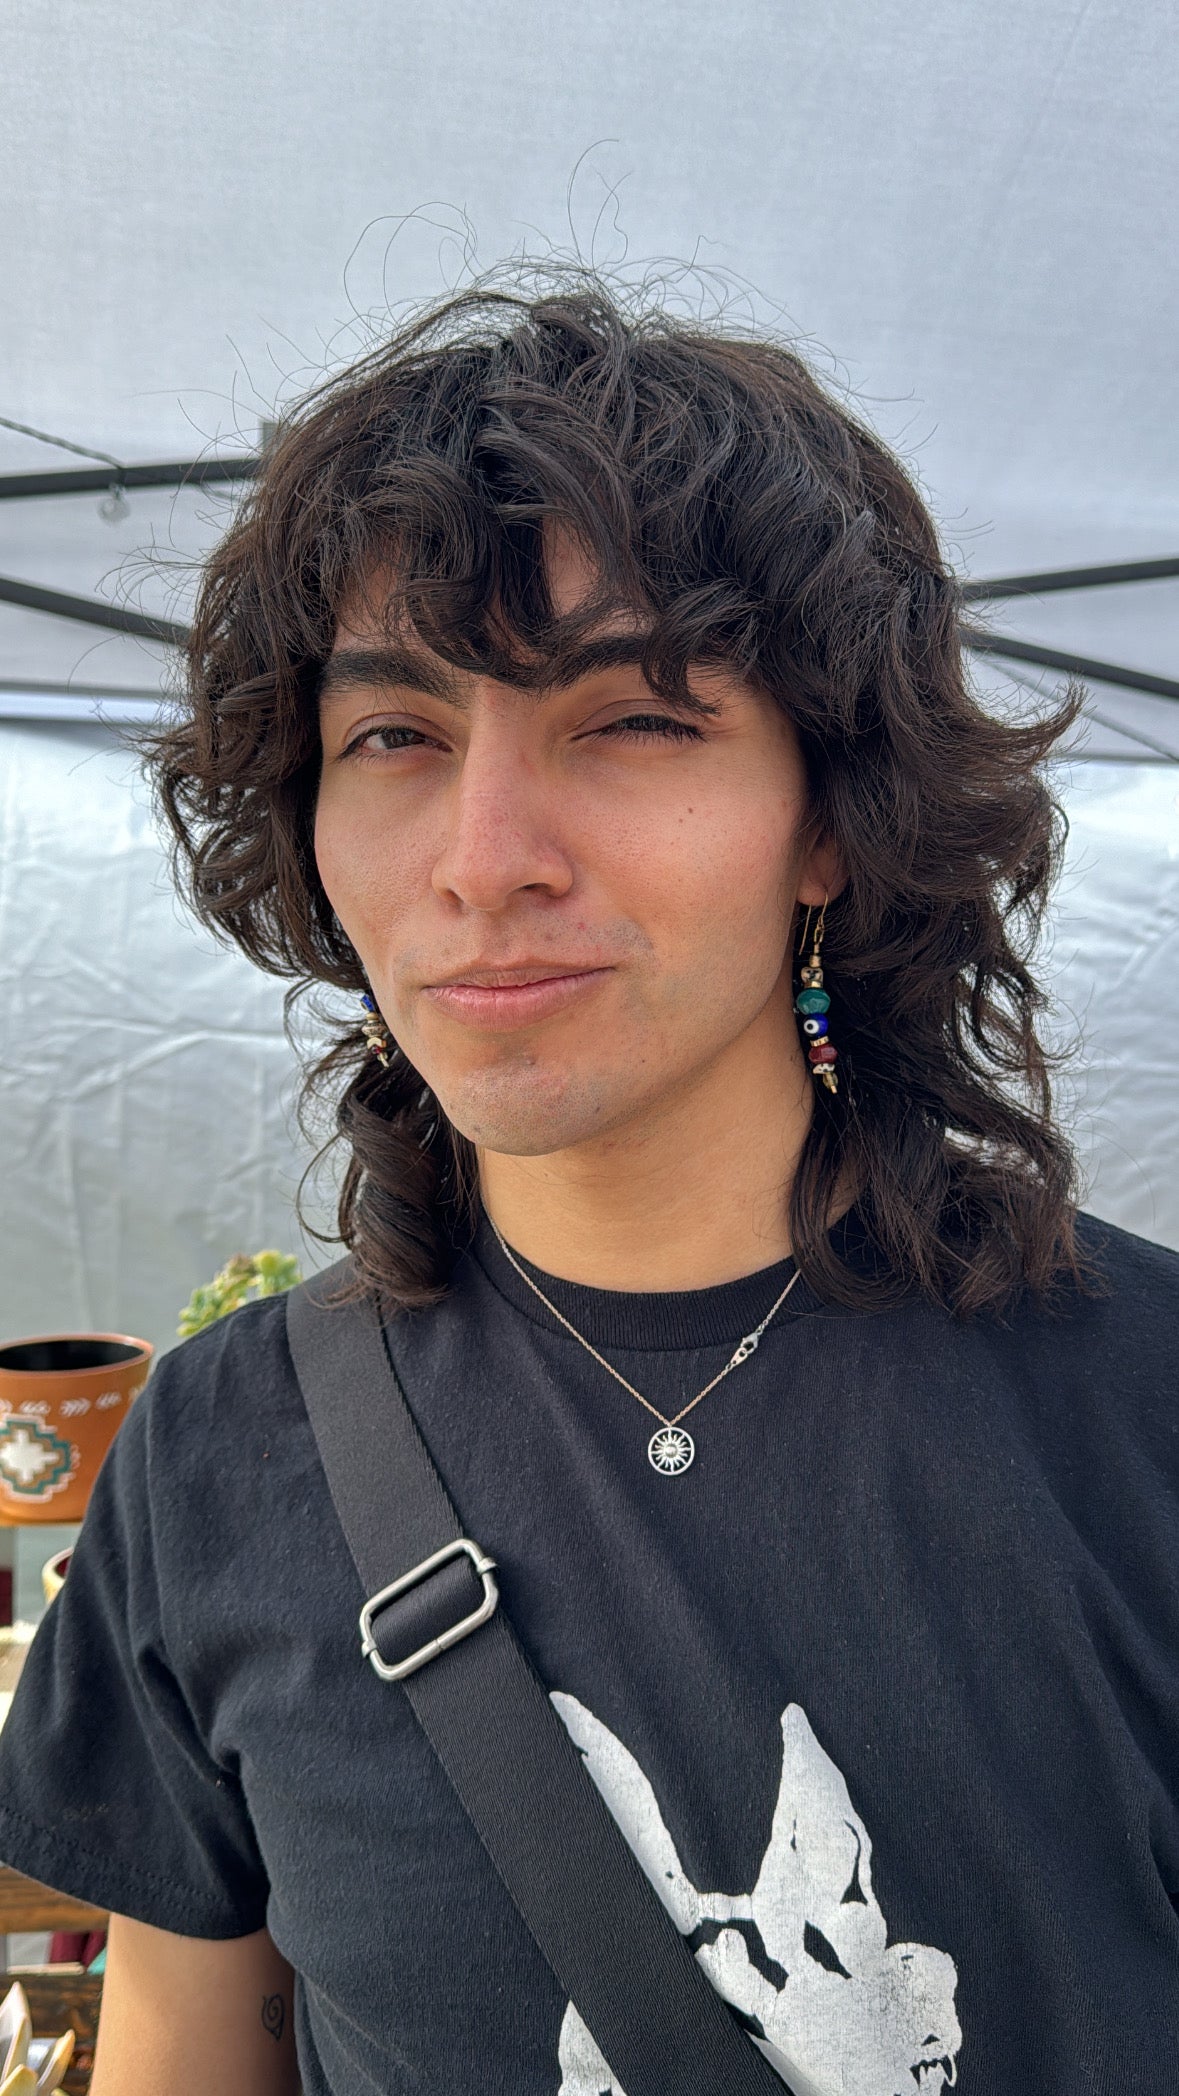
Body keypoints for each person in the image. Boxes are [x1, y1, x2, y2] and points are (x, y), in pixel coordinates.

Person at [0, 275, 1175, 2096]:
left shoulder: (1144, 1404)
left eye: (631, 719)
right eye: (395, 737)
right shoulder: (222, 1454)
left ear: (832, 819)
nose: (484, 861)